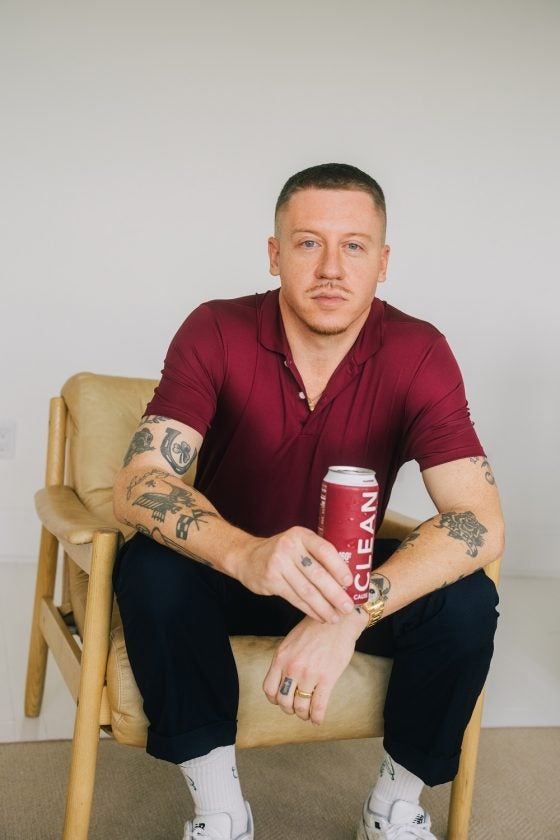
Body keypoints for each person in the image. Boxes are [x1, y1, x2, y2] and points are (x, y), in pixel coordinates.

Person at [112, 162, 504, 840]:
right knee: (151, 566)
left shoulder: (419, 351)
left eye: (353, 245)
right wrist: (245, 553)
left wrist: (351, 612)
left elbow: (480, 522)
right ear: (274, 254)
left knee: (467, 600)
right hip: (233, 570)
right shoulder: (215, 328)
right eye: (307, 243)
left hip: (345, 581)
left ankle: (394, 808)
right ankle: (220, 811)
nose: (331, 268)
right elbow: (138, 482)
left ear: (382, 262)